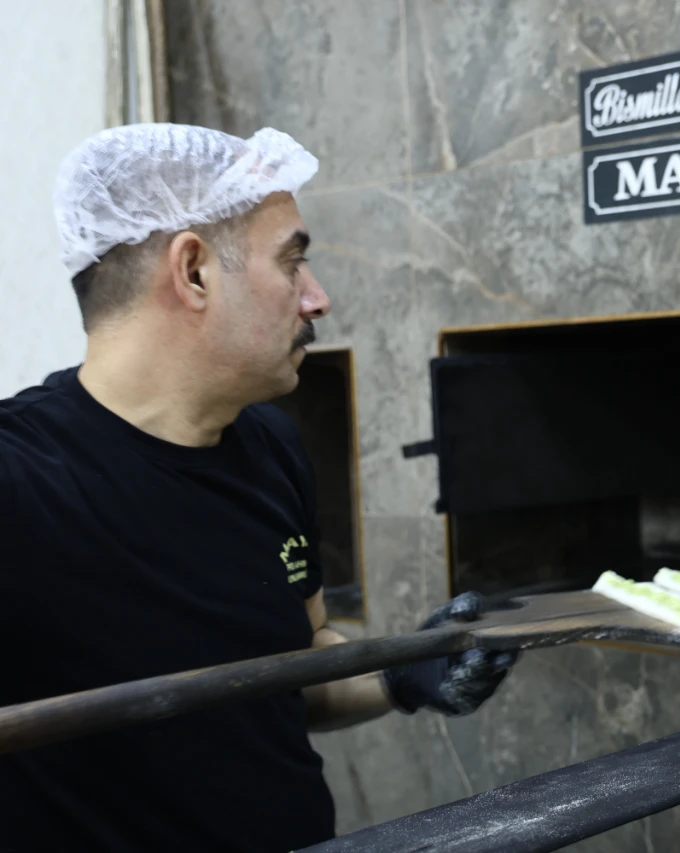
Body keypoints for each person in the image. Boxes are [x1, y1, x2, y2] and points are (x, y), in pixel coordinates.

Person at [0, 124, 517, 852]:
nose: (318, 298)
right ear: (195, 272)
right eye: (292, 262)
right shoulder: (21, 479)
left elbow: (300, 665)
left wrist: (407, 671)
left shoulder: (270, 446)